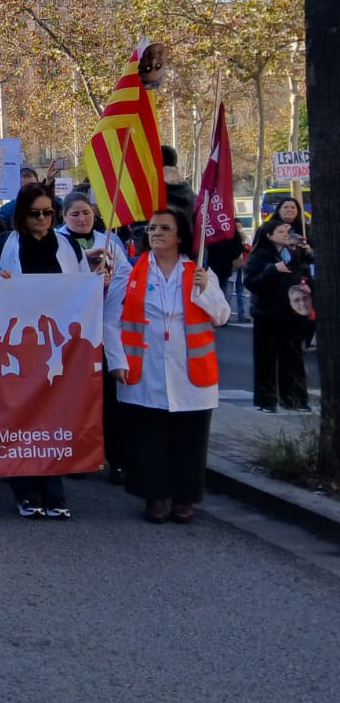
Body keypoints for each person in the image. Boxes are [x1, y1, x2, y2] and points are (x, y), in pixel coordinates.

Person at [0, 183, 86, 519]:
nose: (42, 219)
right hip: (16, 347)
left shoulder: (69, 247)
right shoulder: (2, 245)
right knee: (20, 417)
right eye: (35, 213)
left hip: (57, 348)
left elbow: (84, 291)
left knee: (52, 418)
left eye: (48, 213)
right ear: (23, 215)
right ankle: (25, 491)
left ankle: (54, 491)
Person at [116, 206, 231, 524]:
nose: (155, 234)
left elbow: (221, 317)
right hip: (145, 368)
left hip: (190, 370)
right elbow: (113, 318)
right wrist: (116, 360)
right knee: (149, 437)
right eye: (152, 229)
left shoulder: (199, 272)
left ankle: (184, 498)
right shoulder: (132, 271)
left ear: (180, 236)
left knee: (189, 439)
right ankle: (155, 497)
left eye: (164, 228)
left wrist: (206, 289)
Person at [57, 190, 133, 479]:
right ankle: (78, 456)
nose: (81, 219)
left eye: (86, 213)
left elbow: (125, 278)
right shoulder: (58, 243)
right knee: (75, 398)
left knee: (108, 399)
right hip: (70, 334)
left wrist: (107, 285)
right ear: (64, 216)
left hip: (102, 329)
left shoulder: (110, 242)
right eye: (74, 214)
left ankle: (118, 458)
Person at [244, 220, 313, 413]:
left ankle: (291, 399)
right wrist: (272, 270)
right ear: (269, 235)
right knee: (266, 359)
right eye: (281, 231)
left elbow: (303, 274)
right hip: (267, 314)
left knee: (291, 358)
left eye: (287, 231)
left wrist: (306, 286)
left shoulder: (293, 253)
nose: (285, 234)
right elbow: (250, 282)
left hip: (291, 313)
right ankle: (266, 401)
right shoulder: (259, 256)